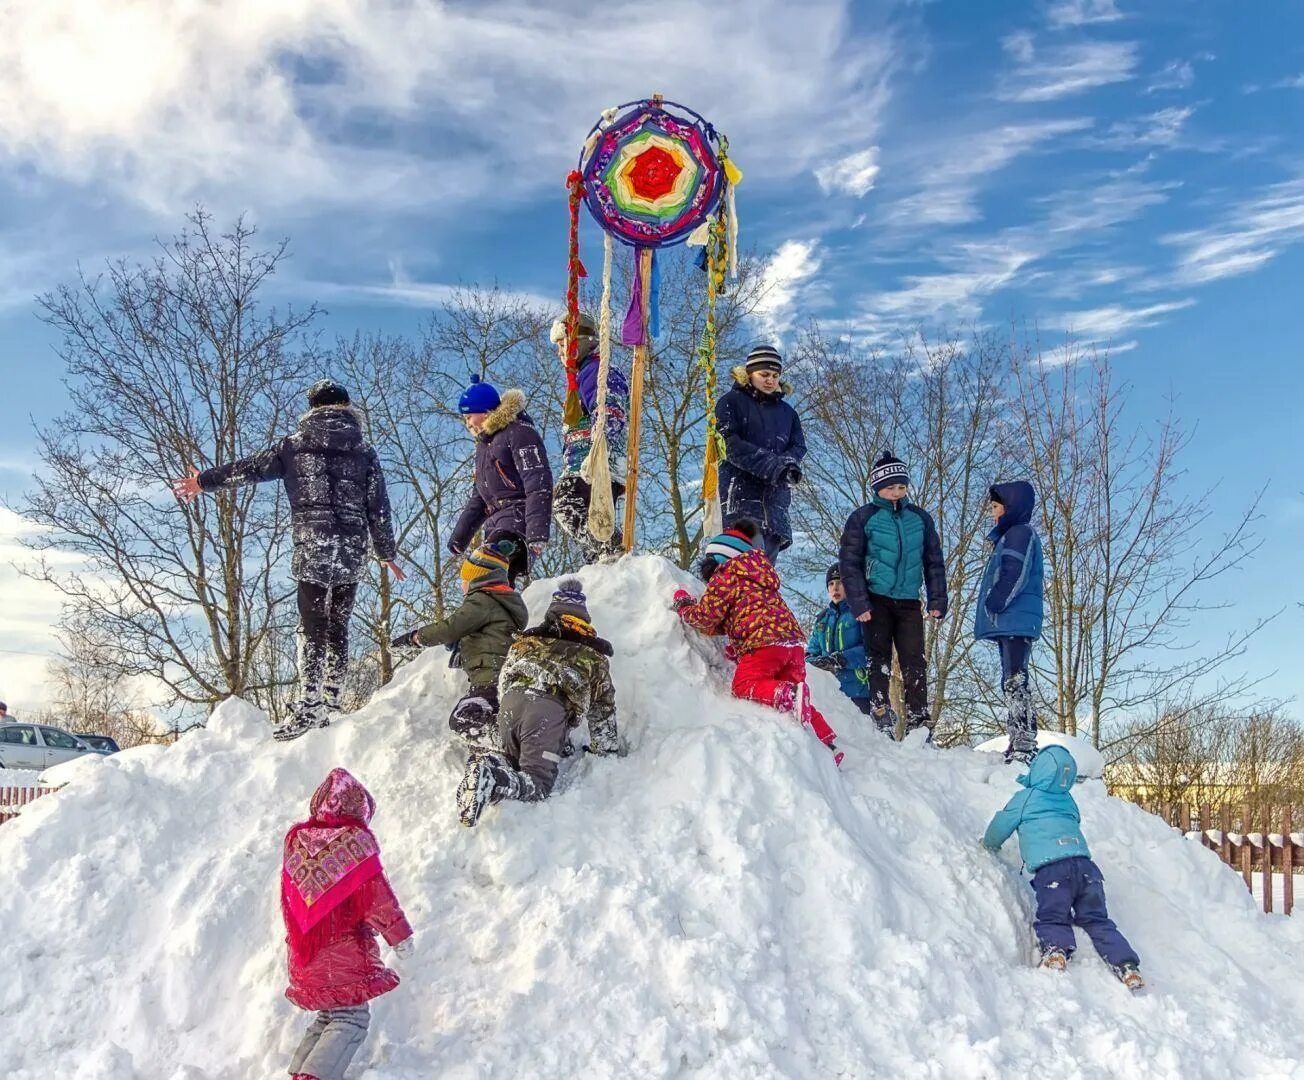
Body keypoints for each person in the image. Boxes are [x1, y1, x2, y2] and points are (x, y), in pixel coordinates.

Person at [172, 381, 404, 741]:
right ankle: (331, 701)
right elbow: (379, 505)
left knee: (312, 624)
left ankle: (308, 703)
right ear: (346, 407)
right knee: (338, 624)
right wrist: (386, 552)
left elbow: (248, 469)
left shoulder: (294, 446)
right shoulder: (364, 451)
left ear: (311, 408)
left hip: (314, 544)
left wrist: (204, 481)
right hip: (351, 547)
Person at [673, 521, 842, 766]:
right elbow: (747, 614)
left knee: (744, 684)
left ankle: (785, 694)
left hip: (764, 644)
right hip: (792, 645)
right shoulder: (761, 579)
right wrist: (738, 644)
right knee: (800, 700)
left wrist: (684, 605)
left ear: (720, 560)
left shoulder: (726, 575)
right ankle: (827, 742)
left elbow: (706, 616)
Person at [281, 768, 413, 1080]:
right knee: (351, 1018)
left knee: (329, 1015)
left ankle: (299, 1073)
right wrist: (399, 935)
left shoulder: (297, 843)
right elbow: (376, 899)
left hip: (304, 953)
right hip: (343, 957)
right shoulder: (353, 845)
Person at [455, 579, 619, 827]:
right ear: (584, 618)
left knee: (514, 758)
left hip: (511, 703)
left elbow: (504, 676)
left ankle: (489, 765)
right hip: (547, 710)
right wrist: (605, 749)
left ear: (552, 613)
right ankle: (494, 780)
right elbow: (603, 711)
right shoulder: (593, 657)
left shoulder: (526, 641)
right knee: (537, 783)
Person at [982, 746, 1144, 990]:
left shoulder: (1025, 798)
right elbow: (1074, 821)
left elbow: (1001, 824)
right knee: (1098, 920)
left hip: (1053, 871)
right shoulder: (1068, 800)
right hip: (1087, 869)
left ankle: (1056, 951)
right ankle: (1128, 966)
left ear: (1039, 770)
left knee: (1054, 916)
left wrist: (989, 844)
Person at [838, 452, 947, 740]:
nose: (896, 493)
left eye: (901, 487)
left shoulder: (919, 518)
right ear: (877, 489)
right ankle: (880, 713)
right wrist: (858, 602)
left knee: (915, 660)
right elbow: (849, 562)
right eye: (889, 488)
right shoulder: (864, 518)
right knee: (878, 658)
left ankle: (918, 721)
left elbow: (934, 560)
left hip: (909, 600)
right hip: (875, 600)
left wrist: (937, 598)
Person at [390, 540, 527, 751]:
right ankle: (496, 750)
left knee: (463, 719)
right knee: (481, 719)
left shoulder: (482, 600)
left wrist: (415, 637)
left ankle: (506, 745)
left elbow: (450, 627)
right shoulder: (498, 602)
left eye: (465, 578)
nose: (462, 584)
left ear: (478, 577)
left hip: (489, 679)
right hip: (497, 676)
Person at [448, 376, 552, 584]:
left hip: (518, 521)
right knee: (474, 578)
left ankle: (502, 610)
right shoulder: (484, 447)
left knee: (486, 571)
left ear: (485, 411)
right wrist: (460, 537)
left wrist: (537, 533)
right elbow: (479, 498)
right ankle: (497, 614)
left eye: (469, 416)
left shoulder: (519, 433)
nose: (467, 423)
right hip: (496, 526)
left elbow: (537, 480)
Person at [715, 345, 806, 564]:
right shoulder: (731, 402)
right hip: (741, 501)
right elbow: (728, 444)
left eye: (775, 375)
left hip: (775, 507)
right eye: (764, 374)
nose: (770, 380)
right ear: (749, 374)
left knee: (765, 580)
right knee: (739, 573)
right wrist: (773, 466)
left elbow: (798, 446)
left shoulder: (788, 413)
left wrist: (788, 465)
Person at [550, 313, 629, 563]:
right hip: (584, 462)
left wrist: (600, 439)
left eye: (562, 345)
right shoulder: (581, 376)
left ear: (578, 343)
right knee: (591, 517)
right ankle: (600, 560)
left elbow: (609, 407)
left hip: (596, 462)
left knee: (565, 503)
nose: (559, 353)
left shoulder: (595, 371)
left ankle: (610, 545)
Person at [975, 482, 1044, 766]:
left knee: (1015, 680)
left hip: (1015, 617)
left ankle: (1025, 743)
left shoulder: (1019, 533)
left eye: (995, 507)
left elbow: (1015, 571)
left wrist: (995, 601)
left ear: (1010, 506)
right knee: (1011, 680)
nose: (992, 514)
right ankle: (1018, 739)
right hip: (1013, 620)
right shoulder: (1011, 534)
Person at [805, 565, 872, 717]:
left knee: (862, 737)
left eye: (840, 583)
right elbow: (810, 652)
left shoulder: (861, 613)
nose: (835, 588)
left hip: (858, 691)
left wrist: (841, 659)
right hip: (829, 694)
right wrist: (818, 663)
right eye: (831, 584)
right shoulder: (822, 619)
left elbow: (870, 649)